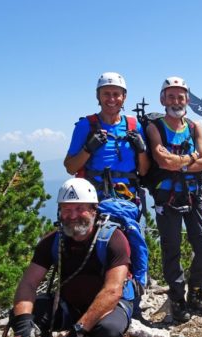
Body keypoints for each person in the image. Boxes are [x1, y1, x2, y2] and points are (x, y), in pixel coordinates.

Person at [9, 178, 134, 337]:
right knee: (22, 316)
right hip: (70, 306)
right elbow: (28, 284)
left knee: (109, 331)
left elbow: (113, 291)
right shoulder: (52, 242)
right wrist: (24, 320)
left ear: (94, 210)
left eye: (79, 208)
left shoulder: (114, 240)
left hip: (110, 308)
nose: (72, 215)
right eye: (67, 209)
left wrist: (80, 328)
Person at [63, 72, 149, 319]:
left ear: (124, 97)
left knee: (129, 249)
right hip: (95, 200)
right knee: (100, 250)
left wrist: (141, 149)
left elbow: (143, 170)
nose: (111, 98)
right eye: (106, 94)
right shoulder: (85, 126)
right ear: (98, 97)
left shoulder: (134, 127)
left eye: (116, 94)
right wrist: (89, 148)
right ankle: (97, 303)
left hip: (127, 200)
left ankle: (130, 302)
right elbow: (70, 166)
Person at [144, 76, 202, 322]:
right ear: (163, 99)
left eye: (180, 96)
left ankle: (196, 293)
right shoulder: (156, 127)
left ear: (187, 99)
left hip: (194, 194)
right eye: (171, 96)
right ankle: (177, 299)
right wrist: (191, 158)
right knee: (171, 249)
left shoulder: (195, 127)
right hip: (167, 196)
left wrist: (180, 163)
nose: (176, 101)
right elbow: (163, 161)